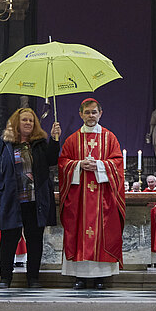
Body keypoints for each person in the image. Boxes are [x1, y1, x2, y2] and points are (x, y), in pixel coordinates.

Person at [0, 106, 63, 288]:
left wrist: (54, 138)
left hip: (36, 201)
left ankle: (33, 278)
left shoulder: (40, 142)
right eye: (24, 120)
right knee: (9, 240)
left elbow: (52, 160)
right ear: (16, 123)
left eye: (31, 120)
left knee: (35, 240)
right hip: (12, 200)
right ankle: (5, 278)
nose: (28, 123)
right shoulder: (3, 143)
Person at [58, 97, 126, 290]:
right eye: (86, 112)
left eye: (94, 112)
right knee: (78, 232)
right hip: (79, 199)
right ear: (80, 114)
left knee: (104, 234)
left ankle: (100, 277)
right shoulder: (72, 139)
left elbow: (118, 163)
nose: (90, 115)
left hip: (103, 198)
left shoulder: (109, 137)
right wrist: (78, 165)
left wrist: (99, 165)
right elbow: (63, 164)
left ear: (100, 113)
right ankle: (78, 276)